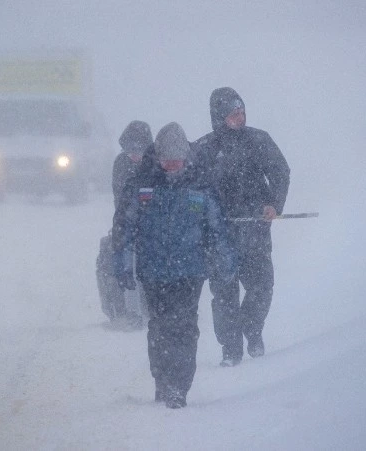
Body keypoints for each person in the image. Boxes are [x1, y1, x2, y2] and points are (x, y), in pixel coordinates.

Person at [113, 122, 234, 409]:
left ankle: (179, 387)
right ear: (158, 157)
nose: (171, 167)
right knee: (159, 327)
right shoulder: (142, 183)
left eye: (177, 161)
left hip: (189, 272)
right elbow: (124, 227)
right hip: (152, 273)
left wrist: (225, 263)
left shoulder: (201, 185)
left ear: (186, 158)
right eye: (166, 161)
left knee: (185, 327)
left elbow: (218, 229)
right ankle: (162, 380)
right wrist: (122, 265)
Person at [193, 87, 290, 367]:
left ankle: (252, 329)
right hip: (219, 236)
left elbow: (280, 172)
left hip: (255, 231)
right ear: (218, 116)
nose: (239, 117)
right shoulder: (202, 149)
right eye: (233, 113)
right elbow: (193, 191)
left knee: (262, 286)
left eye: (242, 111)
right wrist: (202, 220)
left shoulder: (259, 140)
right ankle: (231, 348)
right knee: (224, 295)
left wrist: (274, 204)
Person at [109, 120, 154, 329]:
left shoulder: (155, 163)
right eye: (129, 150)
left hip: (153, 223)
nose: (134, 154)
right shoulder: (120, 164)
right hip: (129, 221)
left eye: (139, 149)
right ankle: (129, 310)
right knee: (125, 260)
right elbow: (119, 198)